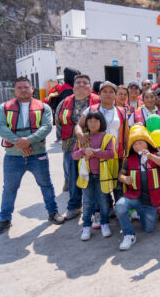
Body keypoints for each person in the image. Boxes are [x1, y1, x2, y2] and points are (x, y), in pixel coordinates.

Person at [0, 77, 64, 235]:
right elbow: (0, 127)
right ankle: (5, 219)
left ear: (32, 89)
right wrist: (18, 143)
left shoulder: (43, 107)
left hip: (37, 154)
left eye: (26, 87)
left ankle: (53, 213)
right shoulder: (4, 108)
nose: (23, 90)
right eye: (19, 87)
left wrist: (28, 141)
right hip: (13, 156)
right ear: (15, 90)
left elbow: (46, 127)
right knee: (9, 188)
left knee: (46, 185)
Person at [77, 81, 129, 213]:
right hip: (96, 156)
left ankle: (120, 211)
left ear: (115, 95)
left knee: (118, 185)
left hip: (116, 154)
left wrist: (127, 153)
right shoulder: (91, 109)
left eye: (111, 91)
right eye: (104, 91)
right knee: (101, 186)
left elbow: (126, 134)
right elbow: (79, 125)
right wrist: (80, 135)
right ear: (99, 94)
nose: (108, 94)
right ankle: (105, 212)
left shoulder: (122, 111)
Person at [116, 125, 160, 250]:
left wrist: (151, 156)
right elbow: (120, 175)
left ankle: (139, 212)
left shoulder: (156, 154)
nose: (138, 146)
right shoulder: (129, 159)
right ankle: (129, 235)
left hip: (150, 199)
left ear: (147, 143)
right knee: (119, 206)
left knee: (149, 229)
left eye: (141, 143)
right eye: (134, 144)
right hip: (134, 196)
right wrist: (124, 178)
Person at [55, 75, 100, 220]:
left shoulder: (98, 102)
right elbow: (58, 122)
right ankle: (74, 207)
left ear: (90, 86)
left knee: (95, 178)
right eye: (78, 82)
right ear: (73, 86)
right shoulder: (64, 103)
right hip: (70, 146)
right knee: (73, 178)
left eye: (85, 82)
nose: (81, 85)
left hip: (93, 146)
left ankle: (98, 208)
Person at [73, 110, 117, 240]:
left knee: (104, 201)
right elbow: (74, 155)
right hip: (86, 176)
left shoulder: (107, 137)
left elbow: (110, 154)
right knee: (87, 202)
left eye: (96, 121)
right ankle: (86, 226)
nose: (92, 124)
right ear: (86, 123)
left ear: (101, 122)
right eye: (90, 121)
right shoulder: (82, 137)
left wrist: (93, 152)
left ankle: (104, 223)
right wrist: (83, 151)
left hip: (101, 176)